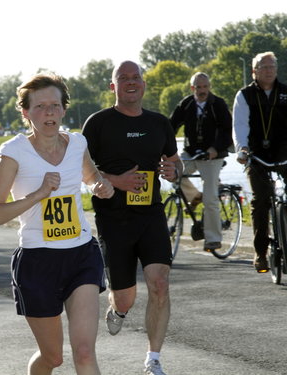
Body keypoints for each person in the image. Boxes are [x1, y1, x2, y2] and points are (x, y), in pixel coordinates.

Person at [0, 73, 114, 375]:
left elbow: (90, 176)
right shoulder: (14, 153)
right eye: (41, 107)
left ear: (64, 109)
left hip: (81, 253)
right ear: (26, 112)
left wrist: (100, 186)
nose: (49, 113)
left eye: (55, 105)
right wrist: (39, 194)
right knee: (53, 358)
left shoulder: (77, 143)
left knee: (84, 352)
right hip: (37, 260)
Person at [82, 61, 182, 375]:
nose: (130, 82)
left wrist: (173, 172)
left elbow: (175, 163)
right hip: (113, 220)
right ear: (113, 86)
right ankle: (118, 308)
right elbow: (83, 172)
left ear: (143, 84)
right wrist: (114, 181)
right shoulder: (97, 123)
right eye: (122, 78)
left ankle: (153, 359)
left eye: (135, 77)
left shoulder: (159, 123)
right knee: (125, 298)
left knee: (160, 283)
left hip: (151, 214)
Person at [233, 51, 287, 273]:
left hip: (284, 153)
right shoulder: (245, 95)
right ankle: (261, 253)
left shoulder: (285, 92)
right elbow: (240, 125)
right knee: (261, 201)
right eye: (263, 66)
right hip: (256, 155)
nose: (269, 70)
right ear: (254, 71)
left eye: (272, 66)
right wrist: (242, 149)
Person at [169, 72, 233, 251]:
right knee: (171, 171)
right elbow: (170, 126)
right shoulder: (186, 104)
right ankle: (194, 196)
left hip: (213, 156)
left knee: (211, 198)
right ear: (192, 88)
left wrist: (215, 148)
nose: (202, 90)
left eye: (205, 87)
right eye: (199, 87)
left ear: (209, 87)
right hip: (190, 153)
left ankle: (213, 239)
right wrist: (164, 148)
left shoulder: (217, 104)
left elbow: (228, 131)